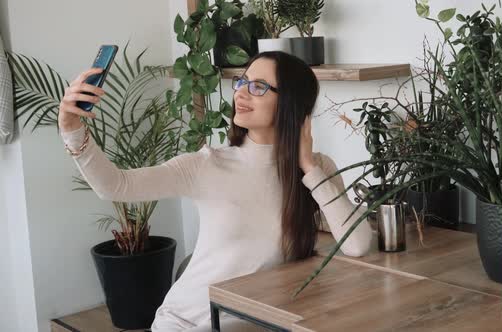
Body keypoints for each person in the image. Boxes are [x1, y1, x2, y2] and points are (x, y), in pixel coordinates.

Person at [58, 51, 373, 332]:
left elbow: (357, 244)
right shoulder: (206, 165)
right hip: (187, 321)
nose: (241, 93)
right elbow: (115, 185)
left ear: (291, 103)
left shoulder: (316, 170)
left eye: (259, 86)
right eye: (242, 81)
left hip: (254, 321)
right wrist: (71, 128)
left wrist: (307, 164)